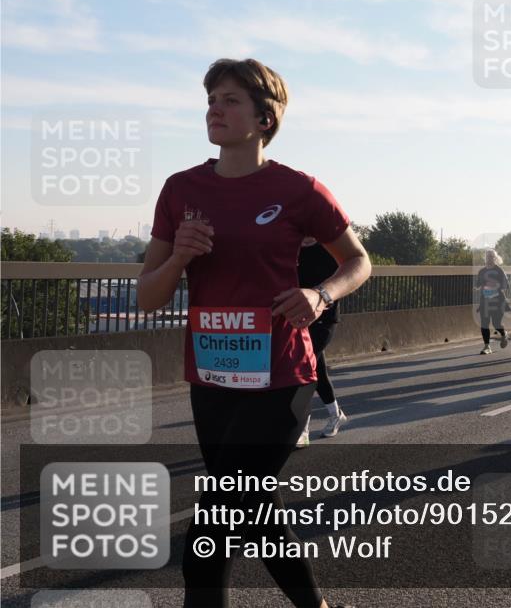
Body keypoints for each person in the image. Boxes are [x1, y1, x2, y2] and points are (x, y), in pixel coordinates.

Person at [138, 58, 370, 608]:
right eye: (211, 100)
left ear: (265, 118)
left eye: (230, 100)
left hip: (281, 377)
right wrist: (179, 260)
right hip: (212, 377)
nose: (215, 109)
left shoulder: (298, 190)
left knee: (209, 534)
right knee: (253, 511)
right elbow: (149, 295)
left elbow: (358, 262)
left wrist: (320, 295)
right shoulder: (180, 190)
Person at [297, 237, 349, 446]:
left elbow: (345, 278)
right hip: (300, 319)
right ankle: (336, 415)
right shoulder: (292, 248)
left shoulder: (329, 249)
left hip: (324, 320)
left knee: (303, 368)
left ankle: (302, 429)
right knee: (317, 371)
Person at [476, 249, 510, 355]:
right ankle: (487, 346)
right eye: (487, 256)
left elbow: (506, 285)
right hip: (485, 301)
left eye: (491, 256)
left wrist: (496, 285)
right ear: (485, 258)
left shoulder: (499, 271)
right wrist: (477, 287)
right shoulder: (482, 271)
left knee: (496, 323)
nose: (489, 258)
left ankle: (504, 334)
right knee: (484, 324)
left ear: (495, 258)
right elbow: (477, 285)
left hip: (498, 301)